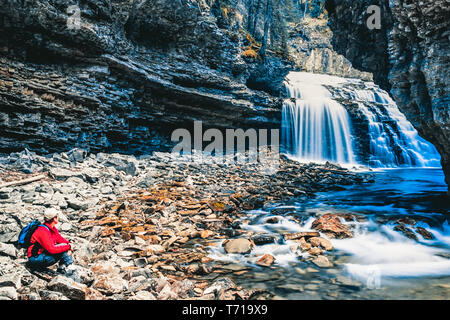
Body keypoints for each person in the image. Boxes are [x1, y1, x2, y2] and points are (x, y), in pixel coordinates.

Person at [26, 208, 73, 274]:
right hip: (35, 259)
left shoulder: (51, 228)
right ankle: (66, 268)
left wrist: (69, 245)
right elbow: (52, 249)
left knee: (64, 247)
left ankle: (64, 267)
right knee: (64, 248)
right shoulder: (42, 231)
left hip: (41, 255)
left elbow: (59, 239)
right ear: (54, 218)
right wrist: (68, 247)